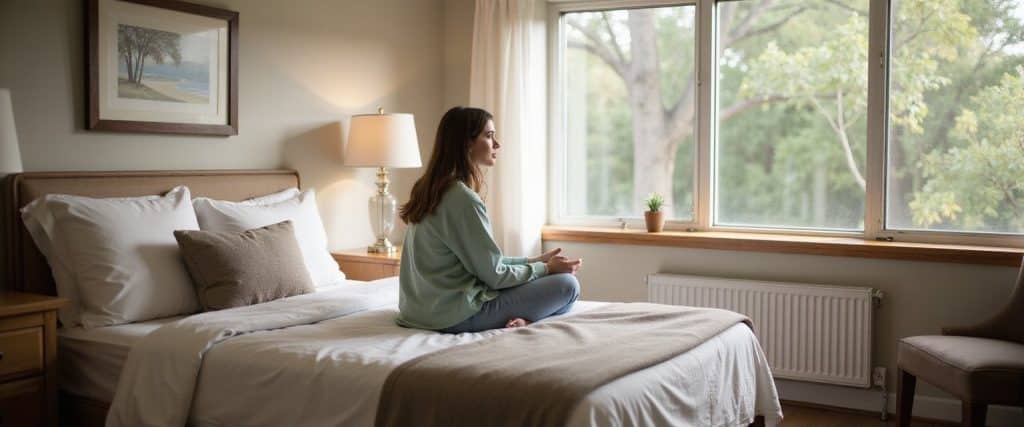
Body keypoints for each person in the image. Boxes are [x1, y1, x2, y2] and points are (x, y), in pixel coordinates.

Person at [396, 106, 583, 333]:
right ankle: (526, 318)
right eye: (489, 135)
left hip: (418, 313)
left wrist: (534, 261)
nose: (497, 144)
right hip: (453, 317)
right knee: (568, 286)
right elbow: (494, 276)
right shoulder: (463, 199)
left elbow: (483, 265)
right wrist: (545, 269)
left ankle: (525, 319)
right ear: (466, 143)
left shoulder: (427, 189)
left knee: (561, 294)